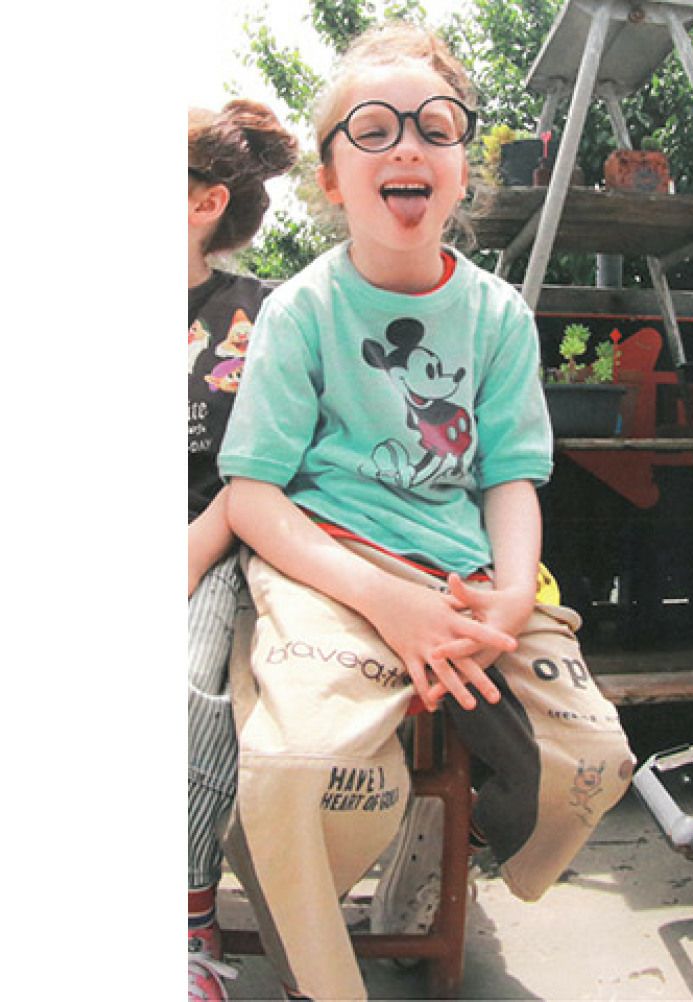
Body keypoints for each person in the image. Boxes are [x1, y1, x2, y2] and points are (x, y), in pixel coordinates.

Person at [217, 22, 635, 1001]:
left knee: (591, 760)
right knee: (295, 771)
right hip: (329, 566)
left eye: (434, 127)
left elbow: (511, 479)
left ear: (460, 171)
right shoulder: (301, 311)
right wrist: (384, 601)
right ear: (331, 177)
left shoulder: (497, 316)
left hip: (463, 573)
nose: (406, 143)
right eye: (374, 129)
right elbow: (254, 495)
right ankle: (326, 974)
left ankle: (451, 838)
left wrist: (511, 596)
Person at [188, 99, 298, 1001]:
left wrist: (195, 547)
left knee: (190, 683)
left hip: (217, 542)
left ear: (203, 203)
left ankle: (188, 918)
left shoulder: (263, 315)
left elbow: (273, 462)